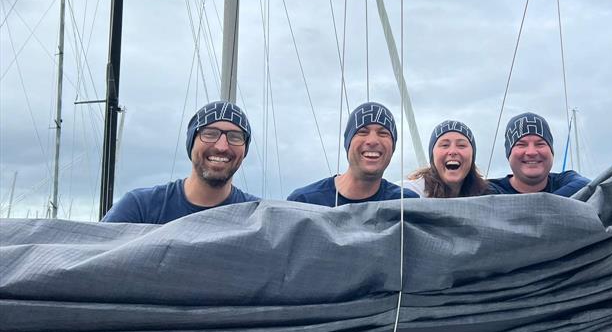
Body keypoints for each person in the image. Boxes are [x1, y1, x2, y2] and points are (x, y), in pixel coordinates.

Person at [103, 100, 259, 224]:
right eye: (210, 134)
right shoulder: (139, 208)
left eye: (235, 137)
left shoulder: (259, 217)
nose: (222, 147)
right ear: (191, 143)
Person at [288, 101, 419, 206]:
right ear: (348, 143)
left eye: (383, 133)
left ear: (393, 147)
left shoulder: (407, 203)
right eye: (362, 132)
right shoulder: (303, 202)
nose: (372, 141)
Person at [488, 111, 589, 197]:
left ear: (551, 151)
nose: (531, 152)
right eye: (521, 145)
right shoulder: (488, 191)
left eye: (540, 144)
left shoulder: (566, 181)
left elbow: (587, 185)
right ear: (509, 153)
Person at [404, 120, 489, 198]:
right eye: (445, 145)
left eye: (461, 145)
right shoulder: (409, 193)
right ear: (432, 156)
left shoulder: (488, 194)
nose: (452, 151)